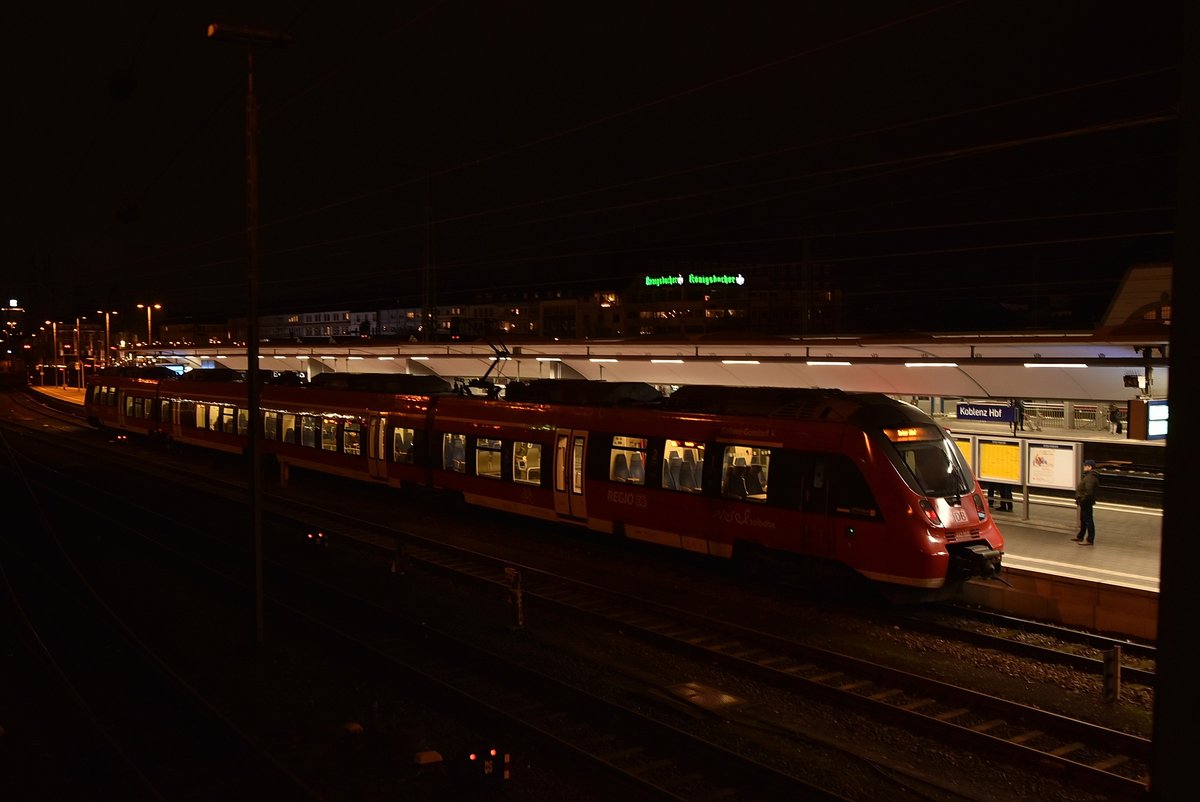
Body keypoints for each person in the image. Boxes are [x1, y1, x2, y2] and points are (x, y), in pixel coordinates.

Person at [1072, 460, 1100, 545]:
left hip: (1086, 502)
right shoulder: (1089, 476)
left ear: (1089, 467)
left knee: (1088, 520)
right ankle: (1080, 536)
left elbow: (1089, 492)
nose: (1083, 467)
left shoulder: (1090, 478)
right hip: (1085, 501)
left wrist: (1081, 499)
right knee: (1083, 519)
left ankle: (1090, 539)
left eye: (1085, 466)